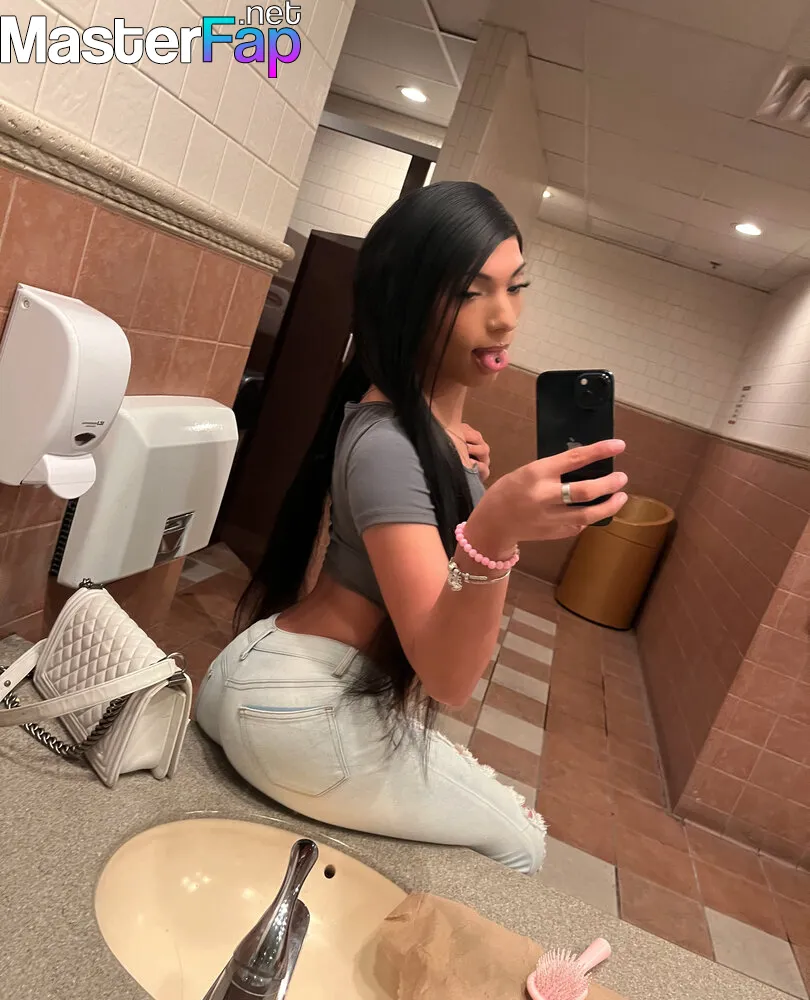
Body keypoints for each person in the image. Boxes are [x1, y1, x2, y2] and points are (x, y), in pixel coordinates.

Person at [196, 181, 628, 874]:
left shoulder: (417, 425)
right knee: (520, 845)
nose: (505, 317)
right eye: (471, 293)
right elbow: (448, 676)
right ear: (405, 301)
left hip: (272, 669)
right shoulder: (392, 444)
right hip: (299, 704)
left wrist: (465, 472)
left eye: (516, 287)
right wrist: (495, 530)